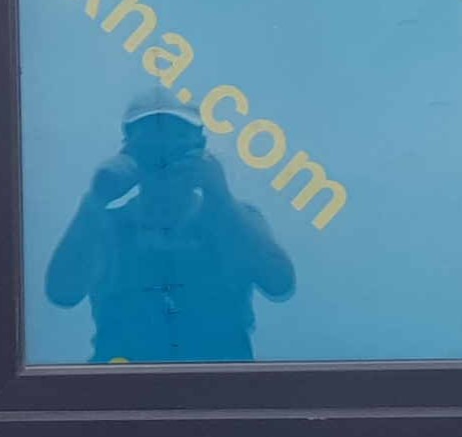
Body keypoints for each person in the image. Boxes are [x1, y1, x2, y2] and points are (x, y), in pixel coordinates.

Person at [45, 89, 296, 363]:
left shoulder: (236, 220)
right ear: (128, 152)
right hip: (128, 383)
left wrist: (221, 198)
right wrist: (94, 201)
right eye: (152, 148)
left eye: (176, 146)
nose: (164, 159)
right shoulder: (106, 226)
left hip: (213, 384)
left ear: (200, 149)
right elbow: (62, 293)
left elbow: (280, 283)